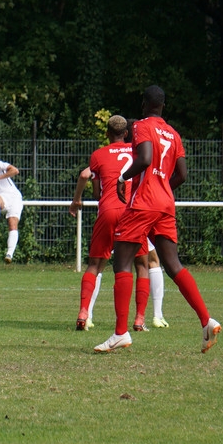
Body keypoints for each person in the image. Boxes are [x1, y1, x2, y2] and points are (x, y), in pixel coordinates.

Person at [94, 85, 221, 354]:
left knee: (122, 261)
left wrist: (122, 177)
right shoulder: (174, 134)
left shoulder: (141, 126)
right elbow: (182, 175)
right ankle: (206, 320)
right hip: (165, 204)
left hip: (144, 203)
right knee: (173, 264)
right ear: (163, 106)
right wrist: (163, 189)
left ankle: (120, 333)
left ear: (145, 104)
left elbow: (145, 158)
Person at [69, 115, 150, 330]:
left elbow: (96, 191)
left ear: (107, 134)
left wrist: (79, 199)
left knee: (95, 264)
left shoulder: (98, 155)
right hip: (132, 212)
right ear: (126, 134)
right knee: (141, 264)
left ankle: (83, 312)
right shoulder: (137, 153)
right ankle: (140, 319)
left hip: (108, 211)